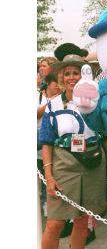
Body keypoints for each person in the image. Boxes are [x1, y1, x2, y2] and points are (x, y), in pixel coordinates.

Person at [39, 43, 107, 249]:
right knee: (54, 223)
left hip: (92, 163)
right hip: (64, 166)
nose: (71, 77)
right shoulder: (53, 105)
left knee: (82, 222)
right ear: (60, 77)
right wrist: (49, 177)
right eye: (67, 73)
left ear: (83, 74)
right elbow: (46, 142)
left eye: (76, 73)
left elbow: (106, 133)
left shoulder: (97, 102)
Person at [37, 74, 61, 216]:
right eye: (55, 83)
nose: (57, 85)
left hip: (56, 144)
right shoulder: (42, 98)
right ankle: (46, 204)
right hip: (40, 140)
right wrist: (50, 103)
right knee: (44, 170)